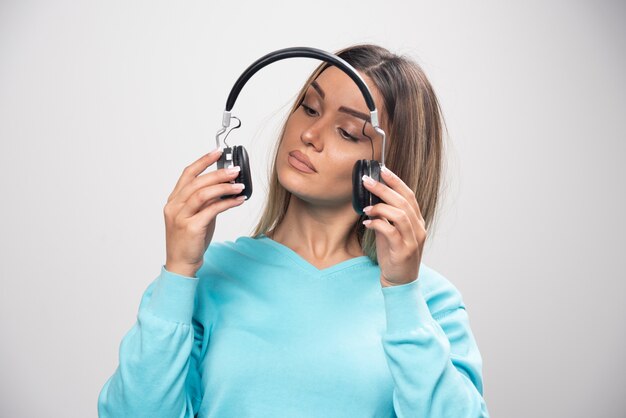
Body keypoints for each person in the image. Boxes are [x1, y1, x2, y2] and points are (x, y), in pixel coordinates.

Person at [97, 44, 490, 417]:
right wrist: (179, 270)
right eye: (309, 107)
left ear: (386, 166)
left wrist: (403, 295)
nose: (310, 135)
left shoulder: (428, 302)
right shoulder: (205, 277)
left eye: (348, 132)